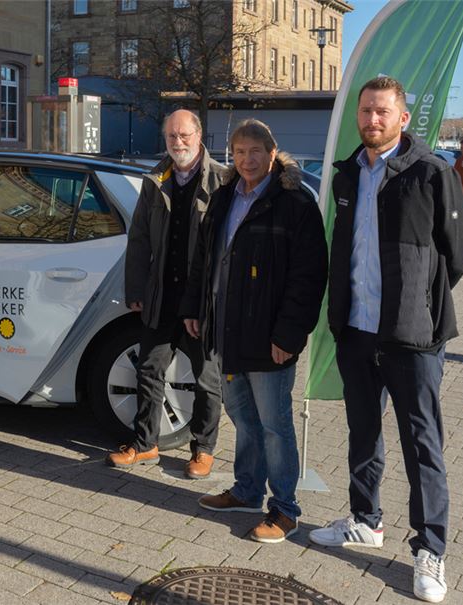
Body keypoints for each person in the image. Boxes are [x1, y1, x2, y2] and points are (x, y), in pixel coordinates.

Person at [308, 77, 463, 604]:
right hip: (357, 330)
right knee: (361, 433)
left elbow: (457, 254)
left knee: (422, 444)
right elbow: (344, 248)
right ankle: (364, 519)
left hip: (411, 338)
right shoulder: (348, 174)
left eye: (383, 112)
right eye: (366, 112)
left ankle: (431, 549)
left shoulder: (431, 172)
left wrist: (418, 307)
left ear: (403, 118)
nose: (372, 120)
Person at [180, 119, 327, 544]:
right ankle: (246, 490)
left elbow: (309, 275)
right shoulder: (225, 197)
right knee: (244, 418)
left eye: (255, 152)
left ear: (272, 152)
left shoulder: (294, 202)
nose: (247, 159)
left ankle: (284, 509)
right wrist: (194, 306)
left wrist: (289, 335)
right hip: (227, 331)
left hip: (269, 339)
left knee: (275, 425)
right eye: (240, 152)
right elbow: (203, 260)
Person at [106, 109, 225, 479]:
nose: (178, 143)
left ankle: (203, 449)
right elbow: (139, 238)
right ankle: (145, 445)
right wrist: (136, 288)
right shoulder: (156, 179)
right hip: (162, 296)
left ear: (199, 135)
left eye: (185, 135)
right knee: (149, 370)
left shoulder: (222, 180)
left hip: (200, 301)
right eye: (172, 136)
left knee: (207, 379)